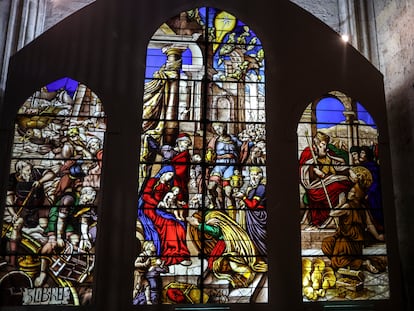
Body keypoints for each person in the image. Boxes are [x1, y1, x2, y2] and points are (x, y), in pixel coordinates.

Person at [321, 166, 386, 273]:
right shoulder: (362, 207)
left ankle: (362, 263)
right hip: (354, 242)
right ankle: (349, 261)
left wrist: (341, 204)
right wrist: (378, 236)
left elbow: (333, 213)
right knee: (327, 244)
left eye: (351, 192)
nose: (349, 193)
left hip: (347, 240)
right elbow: (369, 225)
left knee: (337, 260)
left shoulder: (348, 206)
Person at [187, 210, 267, 288]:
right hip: (227, 242)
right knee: (214, 263)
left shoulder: (214, 219)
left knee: (215, 263)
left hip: (226, 244)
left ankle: (243, 275)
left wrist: (199, 225)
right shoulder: (218, 217)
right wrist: (206, 223)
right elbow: (188, 218)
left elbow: (215, 232)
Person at [137, 165, 191, 266]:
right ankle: (169, 253)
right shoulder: (153, 181)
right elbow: (145, 196)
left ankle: (180, 253)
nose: (170, 177)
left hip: (160, 210)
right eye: (170, 174)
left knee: (178, 224)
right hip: (150, 209)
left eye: (172, 175)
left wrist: (178, 203)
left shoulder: (167, 187)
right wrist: (157, 203)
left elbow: (168, 200)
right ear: (164, 172)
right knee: (168, 224)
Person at [4, 160, 55, 266]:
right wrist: (13, 213)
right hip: (23, 208)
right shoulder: (13, 178)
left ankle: (46, 256)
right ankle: (13, 262)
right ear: (20, 171)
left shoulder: (36, 172)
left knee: (45, 225)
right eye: (27, 170)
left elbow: (51, 174)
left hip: (39, 206)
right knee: (16, 226)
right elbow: (9, 198)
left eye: (30, 169)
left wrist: (40, 181)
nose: (30, 172)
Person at [299, 131, 352, 228]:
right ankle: (328, 220)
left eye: (326, 144)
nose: (325, 147)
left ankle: (338, 214)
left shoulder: (329, 155)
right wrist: (314, 170)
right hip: (317, 188)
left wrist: (347, 171)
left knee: (342, 182)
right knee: (338, 184)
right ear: (317, 145)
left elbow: (339, 166)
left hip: (330, 184)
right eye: (323, 144)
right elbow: (305, 175)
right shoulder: (310, 157)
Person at [206, 122, 242, 212]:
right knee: (211, 187)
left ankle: (230, 214)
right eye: (216, 129)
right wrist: (213, 156)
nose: (218, 130)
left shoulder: (233, 139)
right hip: (219, 166)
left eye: (219, 128)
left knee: (228, 192)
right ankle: (213, 204)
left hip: (231, 166)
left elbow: (243, 147)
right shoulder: (214, 140)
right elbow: (210, 155)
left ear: (224, 127)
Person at [234, 166, 267, 258]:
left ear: (260, 176)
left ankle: (263, 259)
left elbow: (253, 205)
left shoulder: (261, 188)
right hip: (251, 216)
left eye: (255, 175)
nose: (253, 177)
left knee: (258, 240)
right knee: (251, 240)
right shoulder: (252, 187)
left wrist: (243, 197)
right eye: (251, 175)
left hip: (258, 217)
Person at [133, 240, 169, 305]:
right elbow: (135, 264)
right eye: (152, 245)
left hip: (154, 285)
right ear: (147, 248)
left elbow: (165, 270)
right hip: (142, 277)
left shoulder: (154, 258)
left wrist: (162, 265)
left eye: (154, 252)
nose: (154, 246)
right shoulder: (143, 255)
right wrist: (145, 264)